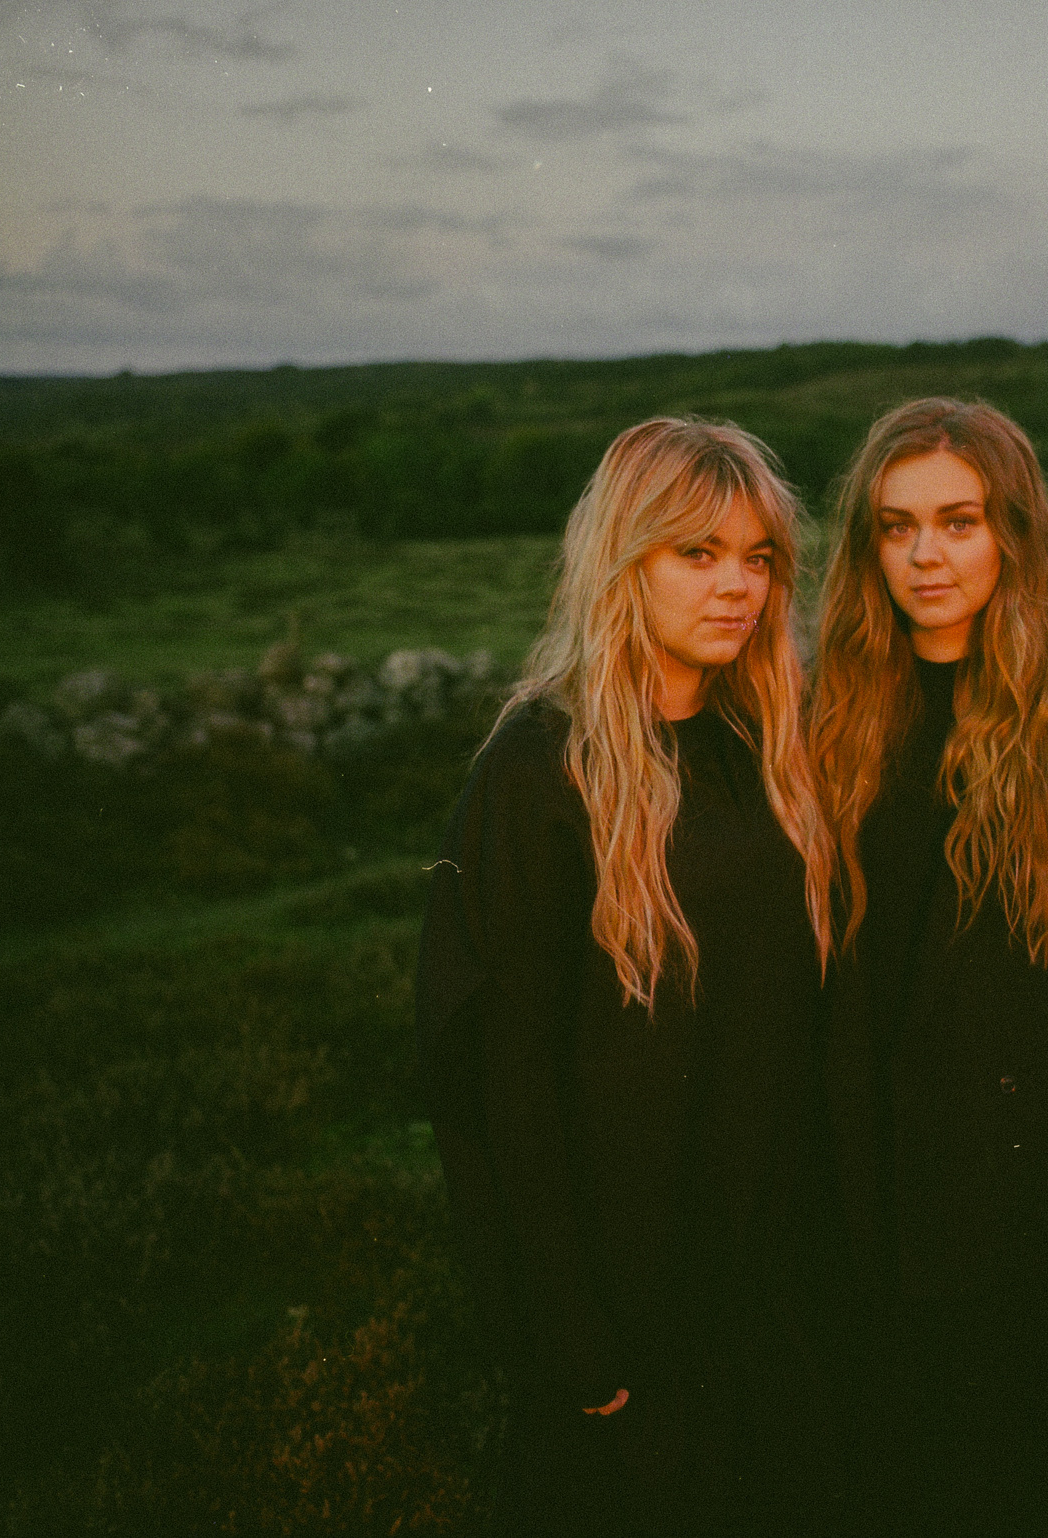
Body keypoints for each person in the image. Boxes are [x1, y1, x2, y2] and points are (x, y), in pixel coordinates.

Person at [414, 418, 840, 1535]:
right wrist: (564, 1325)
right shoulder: (538, 770)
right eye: (696, 553)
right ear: (622, 559)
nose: (737, 586)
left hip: (771, 1268)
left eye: (758, 558)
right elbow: (503, 1077)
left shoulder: (769, 750)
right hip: (624, 1281)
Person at [812, 398, 1048, 1536]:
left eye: (959, 521)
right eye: (895, 527)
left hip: (1040, 1205)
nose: (924, 556)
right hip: (865, 1193)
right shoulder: (825, 710)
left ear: (1014, 533)